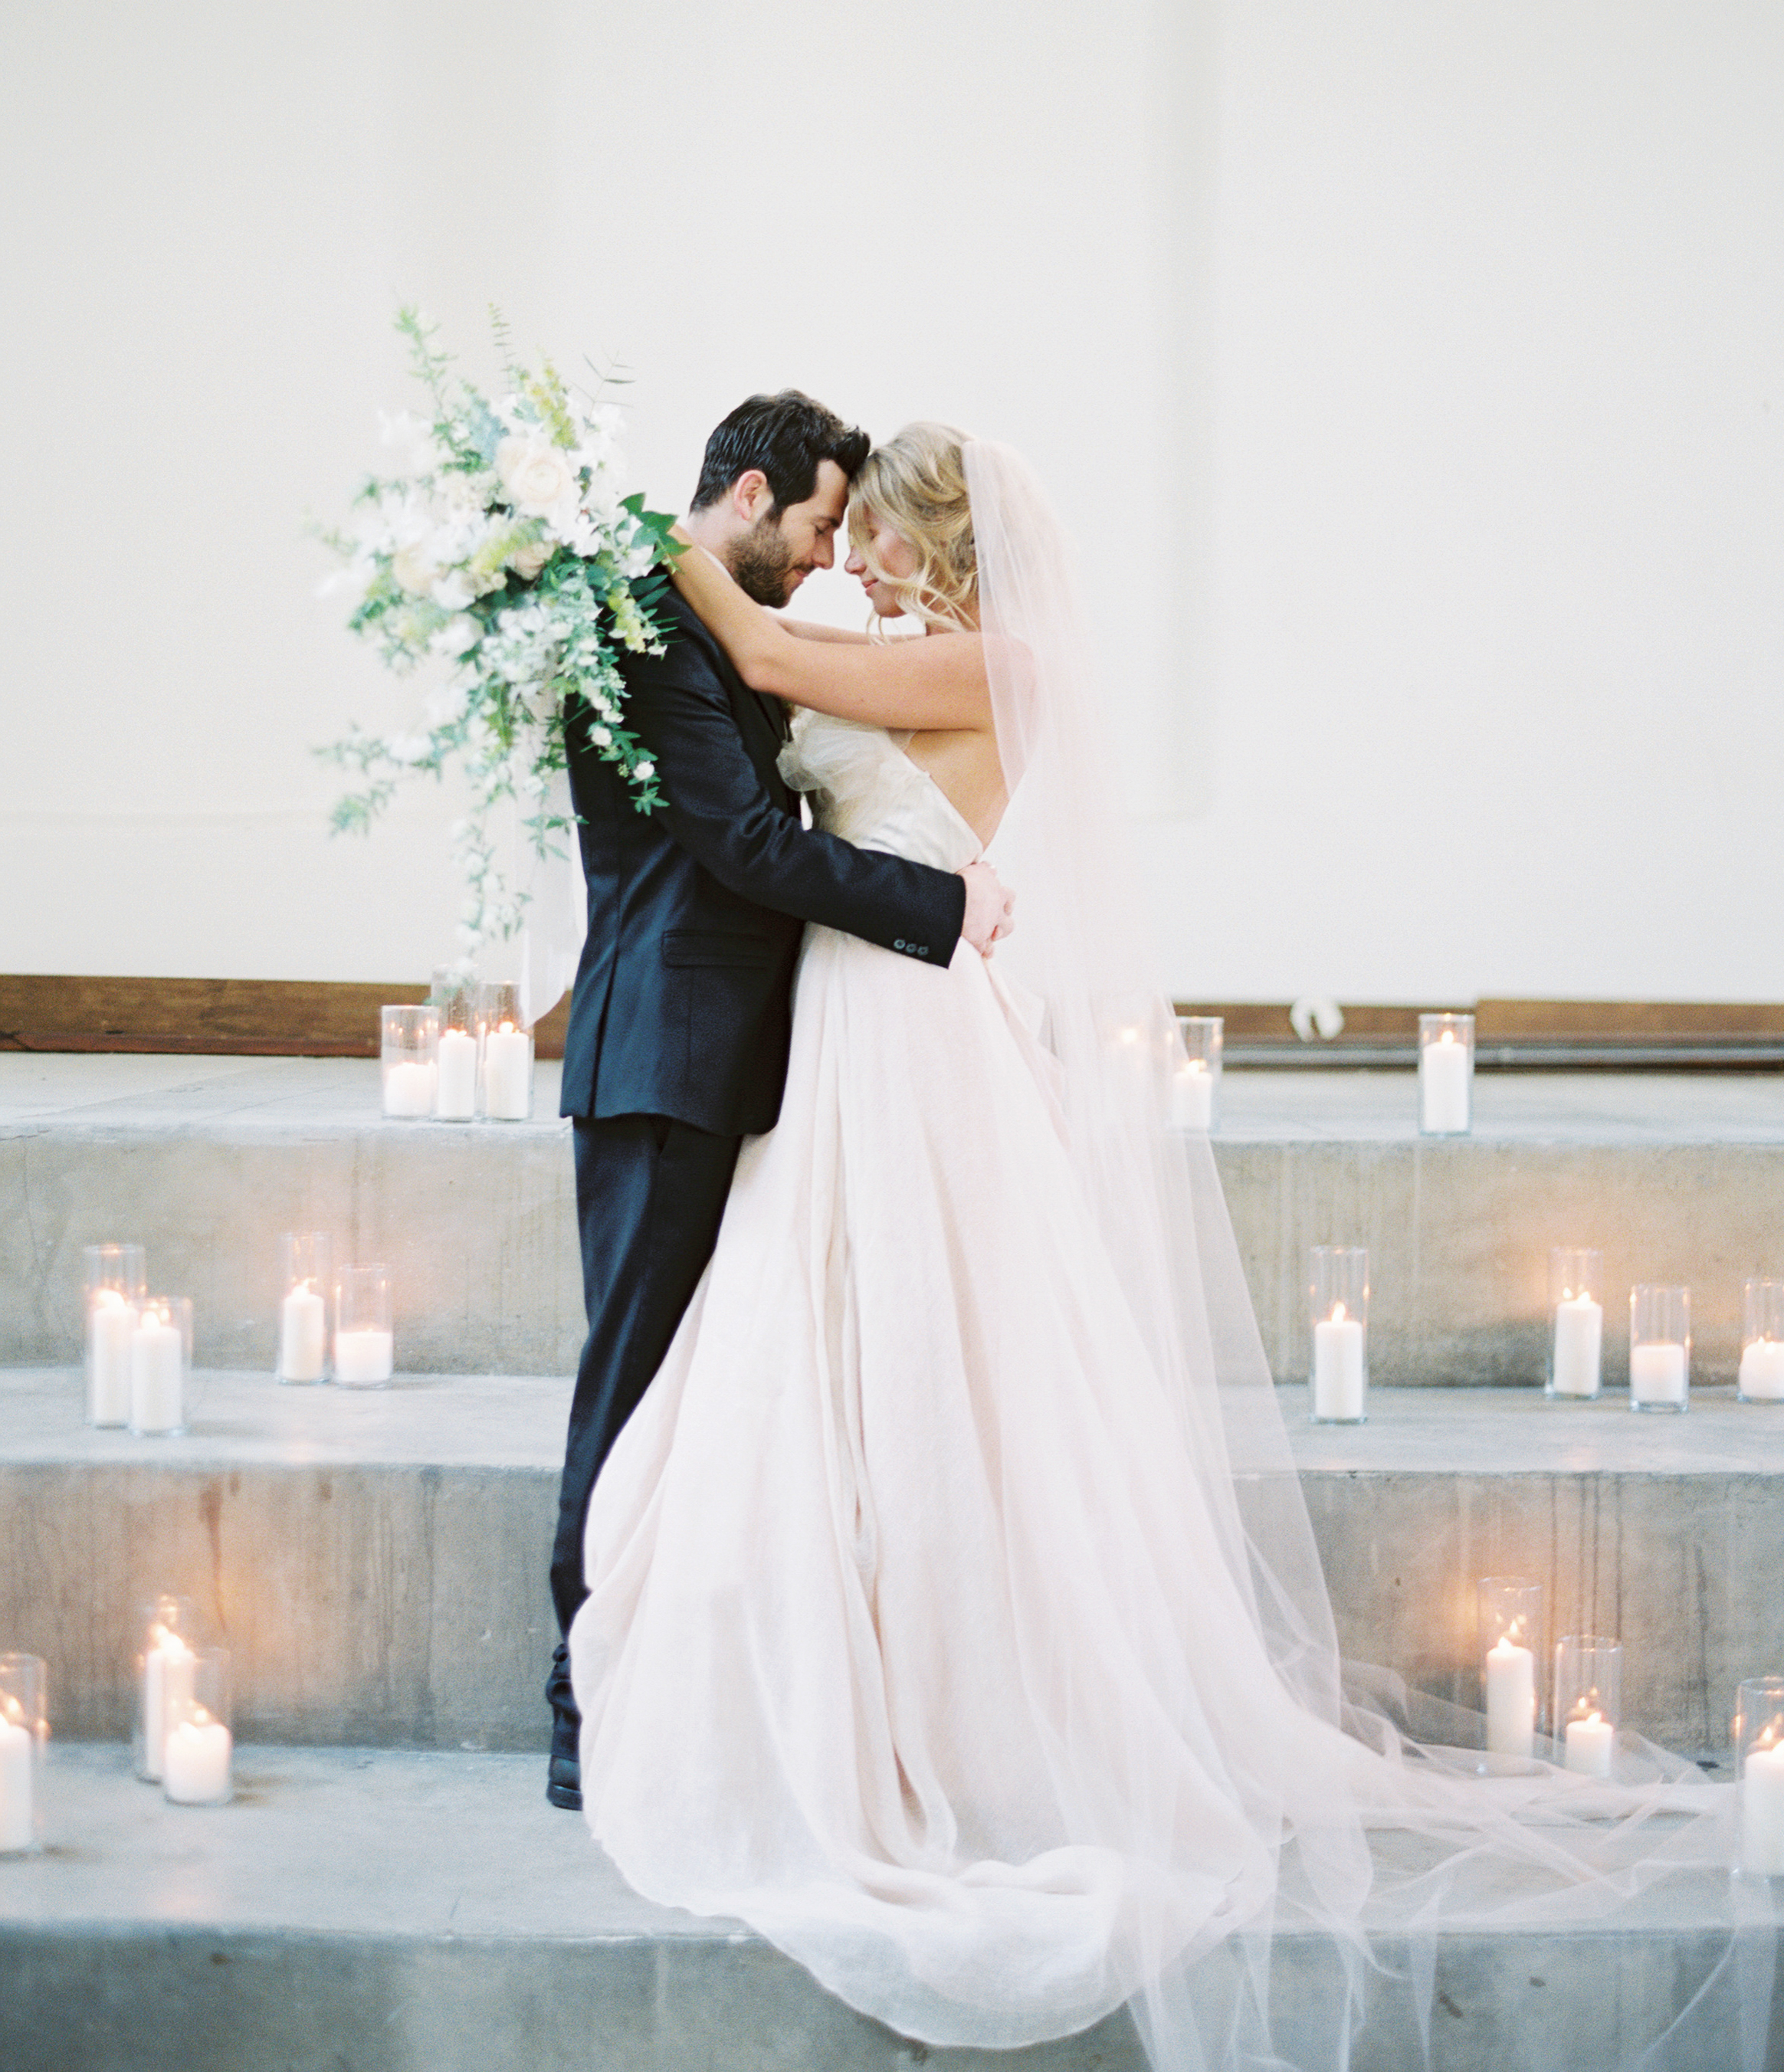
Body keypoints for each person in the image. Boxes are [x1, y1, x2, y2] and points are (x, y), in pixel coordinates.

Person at [563, 427, 1740, 2072]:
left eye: (887, 540)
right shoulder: (918, 648)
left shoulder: (996, 658)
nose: (868, 565)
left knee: (925, 1339)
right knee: (839, 1328)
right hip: (859, 1012)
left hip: (903, 1020)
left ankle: (940, 1706)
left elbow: (758, 654)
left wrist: (596, 529)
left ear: (944, 543)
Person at [545, 394, 1013, 1812]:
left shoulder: (915, 651)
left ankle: (799, 1684)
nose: (831, 563)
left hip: (795, 1049)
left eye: (861, 533)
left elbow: (775, 670)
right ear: (752, 498)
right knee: (635, 1389)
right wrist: (952, 903)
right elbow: (749, 844)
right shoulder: (653, 621)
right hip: (674, 1051)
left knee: (779, 1385)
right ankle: (581, 1696)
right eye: (823, 525)